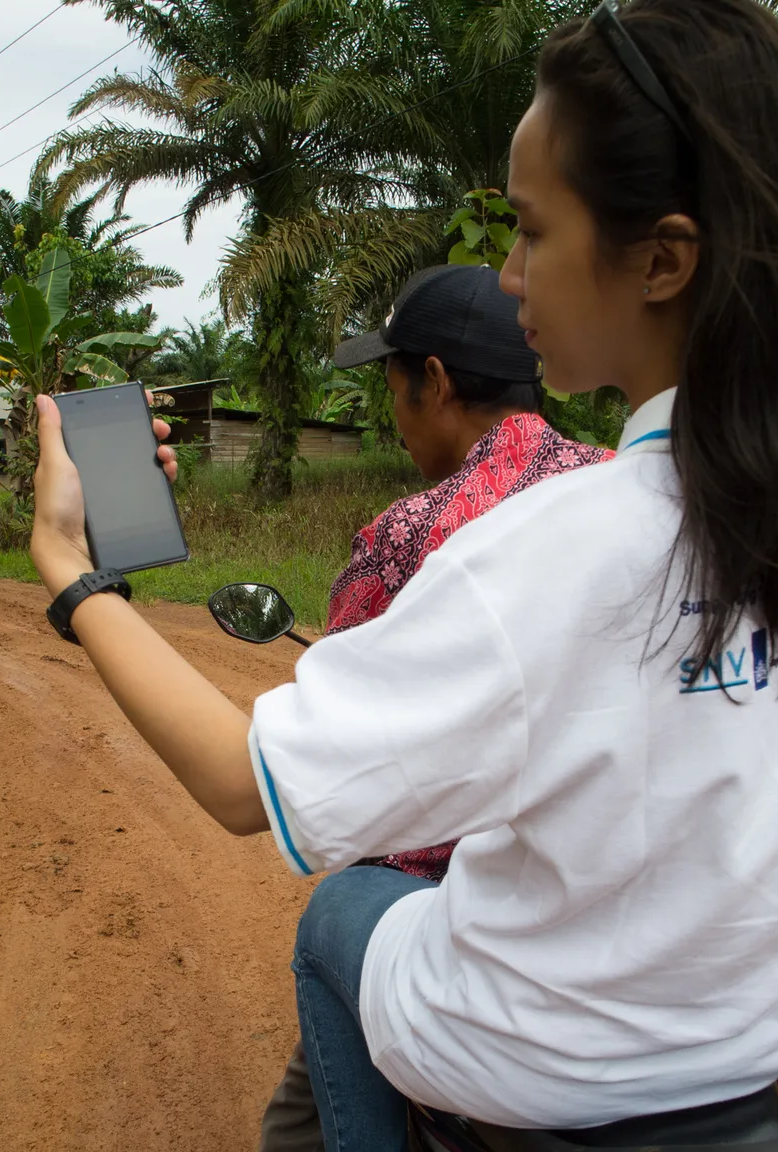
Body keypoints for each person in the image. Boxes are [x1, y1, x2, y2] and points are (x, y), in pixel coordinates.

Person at [26, 0, 778, 1147]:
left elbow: (240, 784)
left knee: (346, 912)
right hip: (750, 1042)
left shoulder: (555, 547)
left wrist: (73, 571)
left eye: (530, 230)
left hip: (536, 1066)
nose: (511, 276)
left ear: (662, 258)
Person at [259, 262, 612, 1152]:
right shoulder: (622, 488)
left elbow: (347, 766)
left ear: (437, 383)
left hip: (465, 915)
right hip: (603, 886)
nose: (393, 413)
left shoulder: (409, 535)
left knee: (339, 913)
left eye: (393, 387)